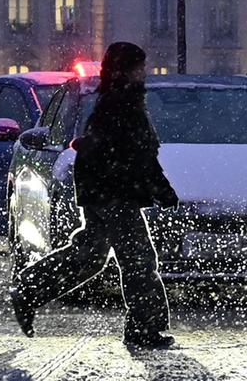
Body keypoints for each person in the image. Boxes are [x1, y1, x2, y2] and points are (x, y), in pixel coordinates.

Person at [10, 42, 180, 350]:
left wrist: (153, 185)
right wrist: (161, 188)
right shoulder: (121, 103)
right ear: (124, 70)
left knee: (91, 254)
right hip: (113, 193)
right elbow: (137, 153)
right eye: (139, 67)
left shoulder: (116, 100)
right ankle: (143, 328)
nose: (144, 73)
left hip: (102, 190)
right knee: (138, 260)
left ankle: (29, 290)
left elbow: (125, 150)